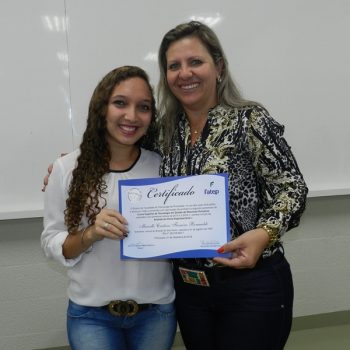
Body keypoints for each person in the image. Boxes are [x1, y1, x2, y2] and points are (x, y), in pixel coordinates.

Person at [155, 21, 308, 350]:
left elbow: (292, 189)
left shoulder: (249, 119)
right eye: (174, 66)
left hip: (251, 285)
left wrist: (264, 233)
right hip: (189, 290)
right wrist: (74, 162)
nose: (185, 73)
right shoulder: (164, 131)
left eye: (195, 61)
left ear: (219, 67)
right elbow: (119, 146)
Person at [41, 66, 176, 350]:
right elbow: (52, 243)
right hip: (92, 316)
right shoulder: (67, 170)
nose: (131, 116)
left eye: (143, 107)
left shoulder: (165, 167)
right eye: (120, 103)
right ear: (101, 107)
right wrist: (90, 234)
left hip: (156, 314)